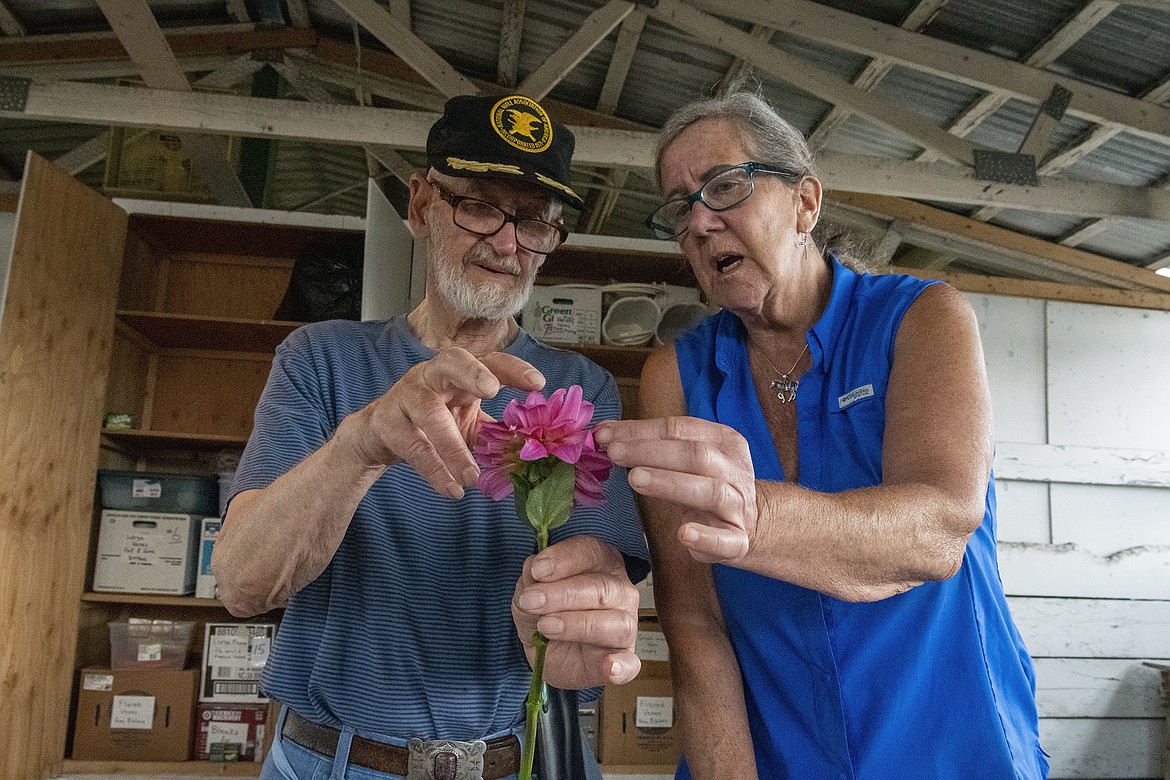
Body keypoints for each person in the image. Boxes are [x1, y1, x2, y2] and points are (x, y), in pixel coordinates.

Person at [593, 91, 1048, 779]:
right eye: (680, 209)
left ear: (806, 202)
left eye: (724, 186)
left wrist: (757, 516)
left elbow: (939, 529)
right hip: (775, 756)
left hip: (954, 746)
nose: (701, 222)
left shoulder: (923, 319)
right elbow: (693, 619)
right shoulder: (677, 378)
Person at [212, 93, 649, 780]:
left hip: (520, 760)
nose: (507, 243)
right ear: (420, 206)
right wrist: (362, 444)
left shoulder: (577, 389)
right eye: (479, 205)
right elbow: (242, 584)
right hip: (333, 761)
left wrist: (579, 622)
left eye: (534, 221)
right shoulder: (319, 358)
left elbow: (591, 587)